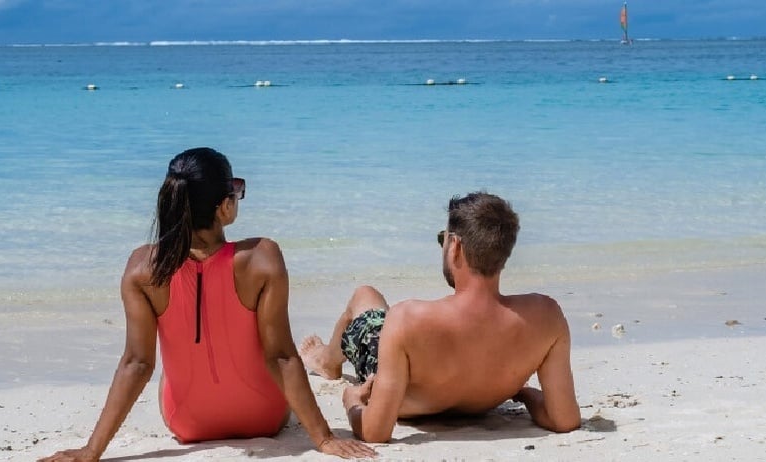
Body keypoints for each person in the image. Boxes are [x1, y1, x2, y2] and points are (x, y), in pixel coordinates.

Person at [42, 148, 375, 462]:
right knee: (273, 351)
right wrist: (324, 438)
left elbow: (137, 364)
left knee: (168, 369)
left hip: (186, 422)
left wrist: (91, 450)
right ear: (224, 207)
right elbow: (281, 356)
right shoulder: (262, 258)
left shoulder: (141, 268)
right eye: (236, 190)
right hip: (263, 416)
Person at [298, 192, 582, 443]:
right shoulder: (545, 317)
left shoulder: (407, 318)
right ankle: (328, 357)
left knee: (365, 296)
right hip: (485, 399)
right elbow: (564, 420)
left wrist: (352, 403)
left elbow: (375, 432)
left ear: (456, 247)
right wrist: (527, 394)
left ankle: (326, 360)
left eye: (442, 241)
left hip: (409, 396)